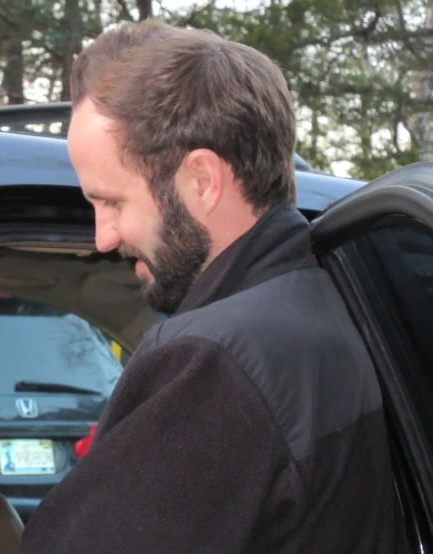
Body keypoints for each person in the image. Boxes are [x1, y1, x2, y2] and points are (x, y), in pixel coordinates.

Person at [21, 20, 395, 553]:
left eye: (112, 201)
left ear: (202, 179)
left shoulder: (213, 362)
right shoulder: (336, 304)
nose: (103, 238)